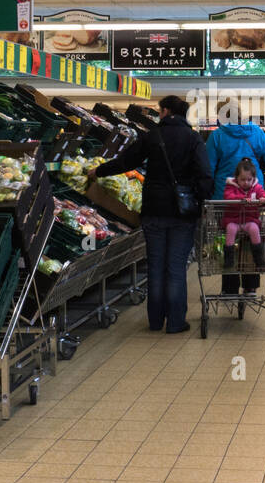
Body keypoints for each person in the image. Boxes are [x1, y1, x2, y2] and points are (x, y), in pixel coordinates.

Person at [88, 94, 210, 334]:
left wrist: (98, 171)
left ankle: (155, 321)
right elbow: (205, 175)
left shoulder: (152, 136)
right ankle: (175, 322)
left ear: (165, 111)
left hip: (154, 210)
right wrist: (202, 204)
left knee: (156, 266)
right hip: (182, 213)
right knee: (175, 267)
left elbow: (125, 162)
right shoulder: (193, 138)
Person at [205, 115, 265, 296]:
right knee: (252, 238)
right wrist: (253, 177)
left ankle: (229, 288)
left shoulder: (217, 135)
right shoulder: (257, 132)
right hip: (252, 196)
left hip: (224, 199)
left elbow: (208, 167)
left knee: (227, 239)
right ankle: (250, 286)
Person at [222, 157, 265, 270]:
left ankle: (259, 259)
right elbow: (228, 197)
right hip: (233, 220)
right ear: (236, 178)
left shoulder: (257, 187)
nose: (246, 182)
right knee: (230, 229)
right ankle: (228, 259)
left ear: (253, 178)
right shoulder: (231, 186)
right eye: (242, 179)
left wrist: (264, 199)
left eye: (249, 179)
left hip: (250, 220)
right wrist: (243, 198)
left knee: (254, 229)